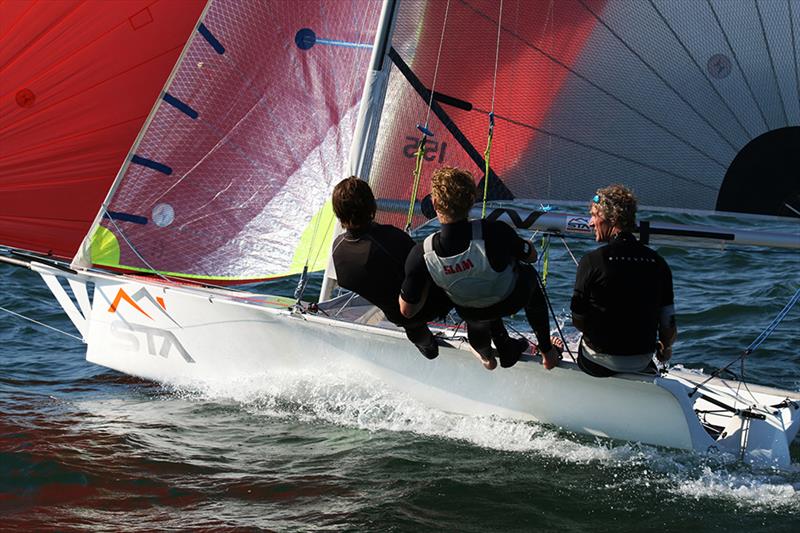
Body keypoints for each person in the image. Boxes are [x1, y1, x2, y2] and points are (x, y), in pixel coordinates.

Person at [399, 166, 561, 370]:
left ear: (434, 203)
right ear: (472, 200)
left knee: (475, 311)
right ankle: (547, 351)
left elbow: (407, 310)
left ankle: (487, 357)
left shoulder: (421, 253)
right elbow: (531, 257)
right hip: (509, 300)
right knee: (528, 275)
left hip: (469, 310)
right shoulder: (495, 231)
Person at [331, 176, 452, 359]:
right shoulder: (390, 238)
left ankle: (426, 343)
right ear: (372, 206)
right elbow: (422, 265)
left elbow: (347, 280)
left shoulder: (338, 247)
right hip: (430, 304)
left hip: (396, 315)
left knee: (408, 320)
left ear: (338, 212)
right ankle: (484, 327)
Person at [571, 184, 677, 377]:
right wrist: (666, 349)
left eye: (595, 215)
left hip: (596, 363)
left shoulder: (592, 261)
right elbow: (668, 325)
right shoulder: (659, 263)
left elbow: (578, 320)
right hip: (641, 360)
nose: (590, 223)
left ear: (611, 218)